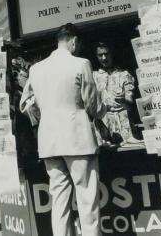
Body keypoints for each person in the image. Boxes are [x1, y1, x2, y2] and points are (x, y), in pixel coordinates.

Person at [20, 23, 105, 236]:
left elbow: (25, 106)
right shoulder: (81, 63)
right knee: (87, 199)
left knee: (59, 201)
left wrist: (44, 115)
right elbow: (92, 103)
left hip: (49, 141)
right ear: (74, 41)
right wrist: (102, 113)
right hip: (77, 138)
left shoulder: (36, 69)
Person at [93, 42, 135, 145]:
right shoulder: (93, 76)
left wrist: (123, 101)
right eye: (100, 55)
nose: (104, 58)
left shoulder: (124, 75)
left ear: (112, 53)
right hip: (102, 127)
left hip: (124, 126)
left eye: (106, 54)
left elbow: (130, 105)